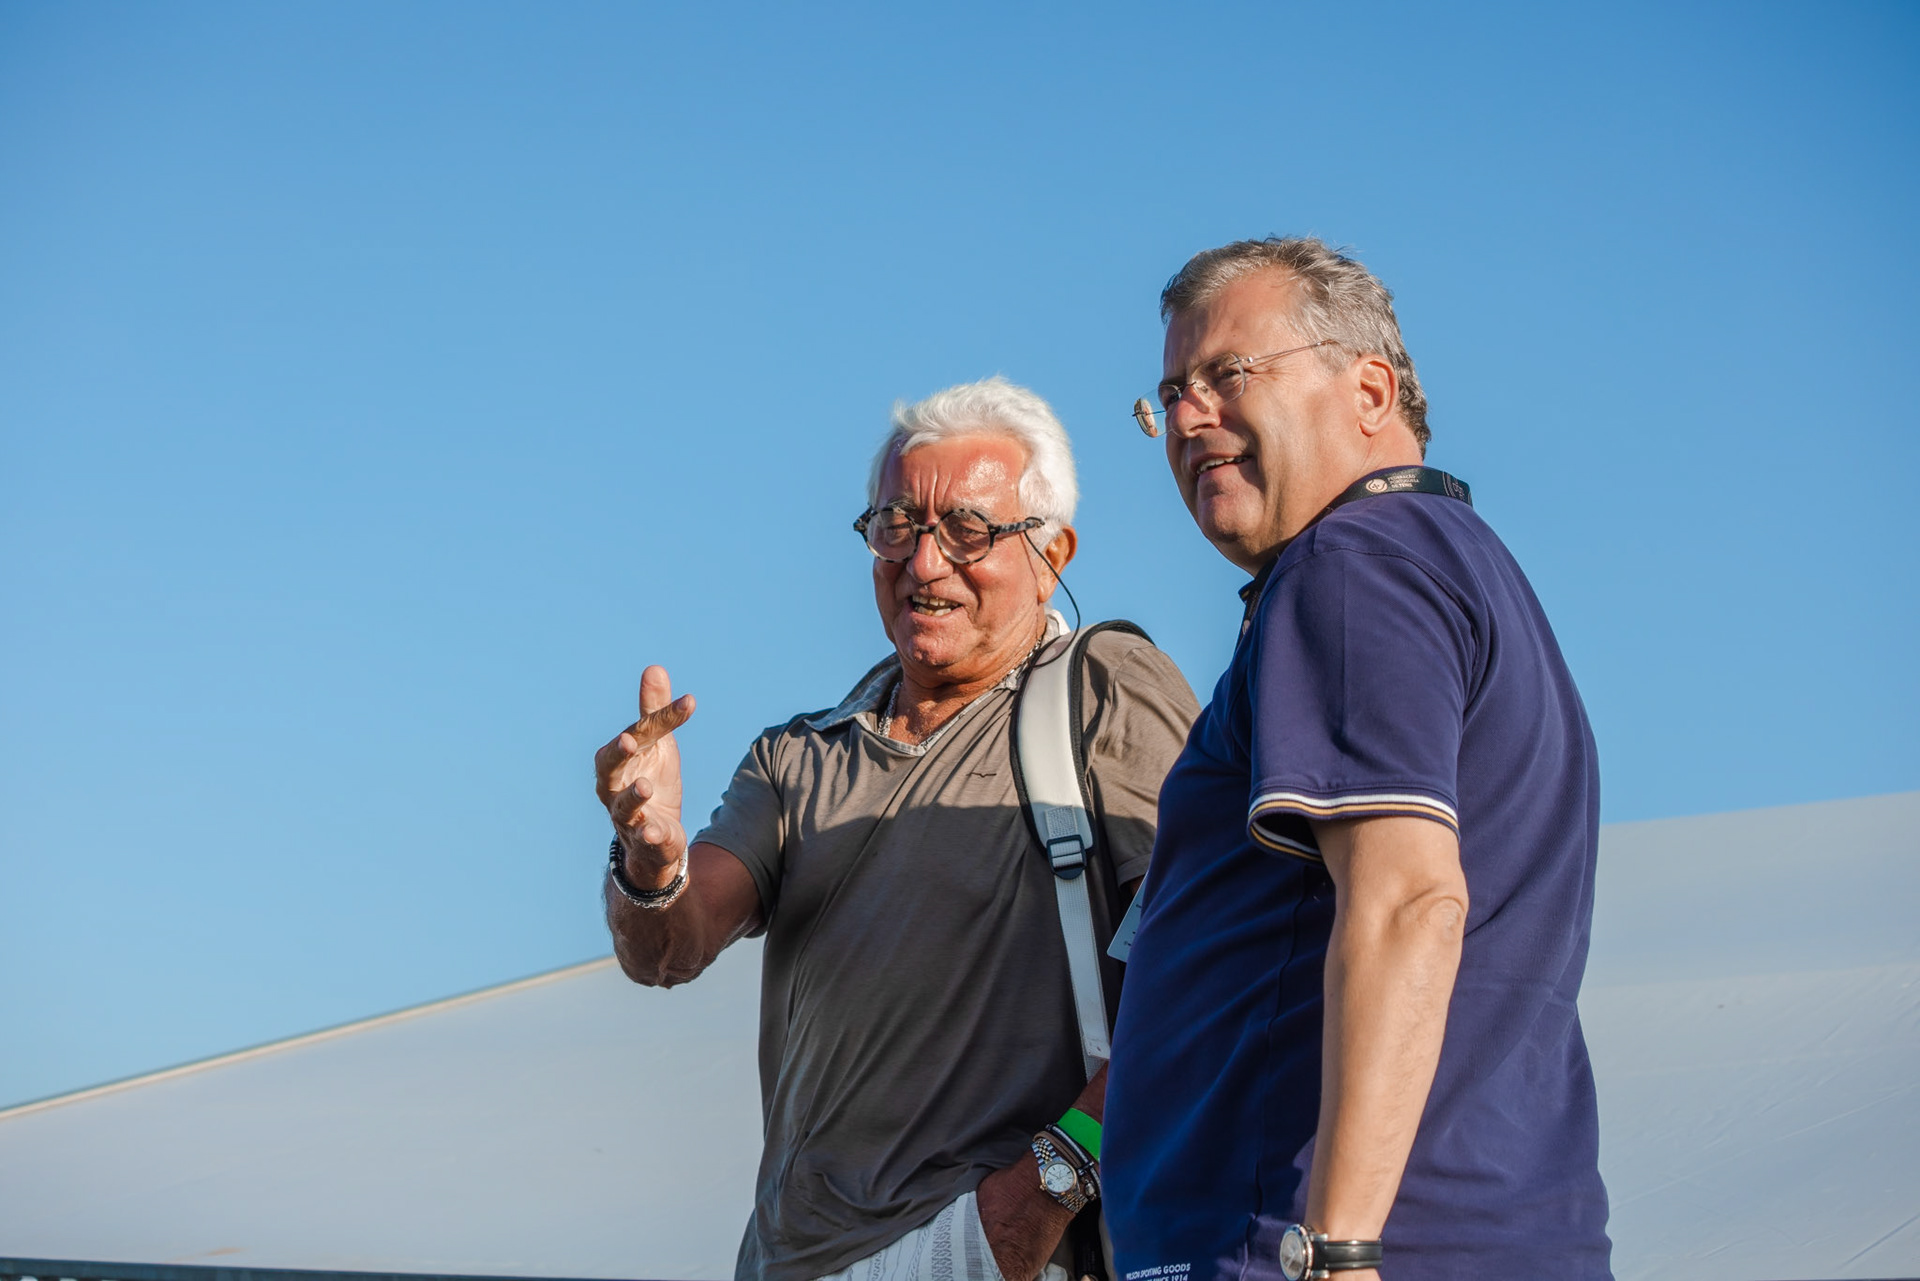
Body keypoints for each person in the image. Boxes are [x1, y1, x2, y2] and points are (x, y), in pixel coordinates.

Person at [594, 377, 1200, 1281]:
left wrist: (1047, 1186)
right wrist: (650, 861)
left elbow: (1207, 962)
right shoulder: (796, 757)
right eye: (896, 525)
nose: (923, 561)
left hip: (986, 1253)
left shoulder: (1103, 689)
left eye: (967, 529)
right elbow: (665, 950)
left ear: (1052, 554)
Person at [1102, 239, 1612, 1281]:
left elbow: (1409, 902)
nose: (1190, 418)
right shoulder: (1455, 566)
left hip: (1304, 1247)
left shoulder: (1352, 565)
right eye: (1172, 395)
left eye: (1228, 374)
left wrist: (1335, 1249)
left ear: (1369, 389)